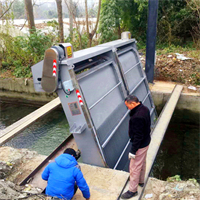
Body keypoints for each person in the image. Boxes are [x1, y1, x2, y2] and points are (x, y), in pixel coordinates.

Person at [121, 95, 151, 199]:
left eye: (128, 106)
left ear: (133, 104)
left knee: (134, 167)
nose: (127, 108)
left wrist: (133, 151)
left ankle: (132, 190)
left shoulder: (137, 116)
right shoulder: (145, 108)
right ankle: (141, 181)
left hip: (140, 145)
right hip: (146, 141)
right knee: (142, 162)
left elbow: (138, 136)